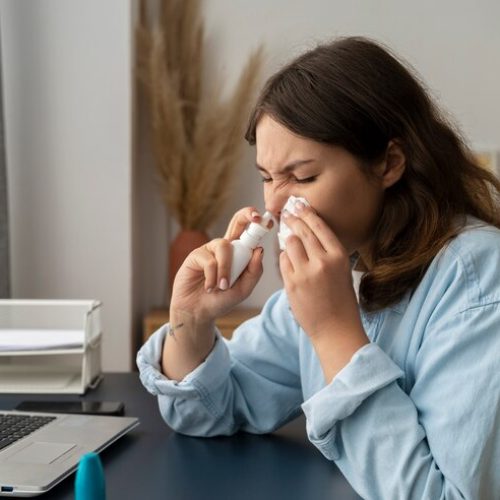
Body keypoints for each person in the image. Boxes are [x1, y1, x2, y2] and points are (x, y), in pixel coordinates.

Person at [137, 37, 500, 499]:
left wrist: (333, 332)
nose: (274, 203)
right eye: (268, 177)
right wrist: (191, 319)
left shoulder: (478, 278)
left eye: (303, 177)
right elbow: (208, 412)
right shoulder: (341, 271)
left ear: (389, 163)